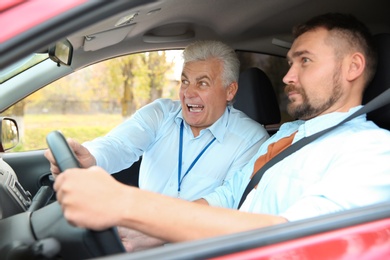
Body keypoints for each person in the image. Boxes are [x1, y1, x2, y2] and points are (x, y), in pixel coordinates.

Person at [52, 13, 390, 246]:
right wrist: (151, 232)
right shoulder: (289, 137)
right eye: (290, 62)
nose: (288, 76)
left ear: (353, 67)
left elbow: (296, 239)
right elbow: (227, 197)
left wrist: (127, 204)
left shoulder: (373, 152)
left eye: (305, 61)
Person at [45, 40, 269, 202]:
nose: (188, 93)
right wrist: (91, 157)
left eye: (202, 83)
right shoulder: (161, 113)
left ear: (230, 91)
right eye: (184, 81)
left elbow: (229, 201)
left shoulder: (251, 140)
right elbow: (120, 144)